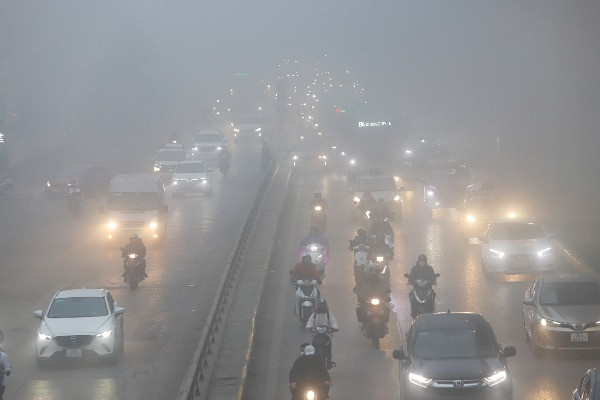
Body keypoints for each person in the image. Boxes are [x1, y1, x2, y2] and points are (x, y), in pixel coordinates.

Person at [305, 299, 339, 368]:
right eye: (320, 305)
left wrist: (334, 327)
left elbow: (333, 322)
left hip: (327, 335)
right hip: (316, 335)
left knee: (329, 348)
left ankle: (329, 361)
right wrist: (309, 327)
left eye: (322, 305)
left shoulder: (329, 314)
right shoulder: (314, 314)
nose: (321, 307)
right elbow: (310, 322)